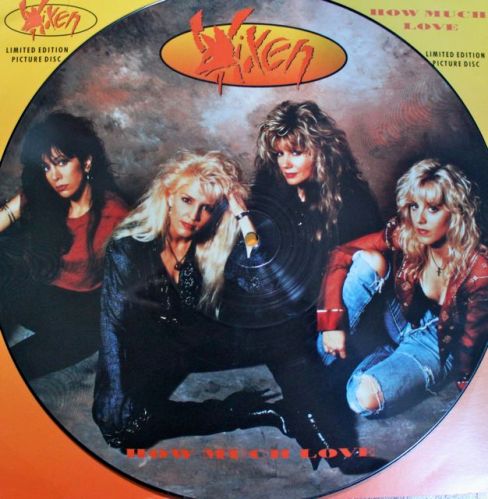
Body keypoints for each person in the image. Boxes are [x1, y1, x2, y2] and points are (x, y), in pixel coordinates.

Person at [220, 100, 383, 471]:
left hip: (338, 314)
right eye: (279, 154)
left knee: (289, 344)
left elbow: (363, 275)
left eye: (296, 152)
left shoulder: (351, 199)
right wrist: (244, 217)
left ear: (321, 151)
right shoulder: (272, 191)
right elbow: (257, 261)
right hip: (289, 312)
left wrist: (327, 319)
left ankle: (314, 424)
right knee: (279, 328)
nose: (286, 163)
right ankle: (331, 444)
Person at [92, 151, 289, 451]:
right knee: (120, 427)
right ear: (169, 196)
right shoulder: (128, 248)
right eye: (187, 200)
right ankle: (248, 411)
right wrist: (115, 393)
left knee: (286, 332)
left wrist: (243, 218)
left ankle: (301, 406)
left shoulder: (212, 248)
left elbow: (266, 286)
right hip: (147, 352)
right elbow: (114, 327)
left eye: (206, 208)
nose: (193, 216)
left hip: (195, 344)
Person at [318, 159, 488, 416]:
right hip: (400, 320)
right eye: (414, 206)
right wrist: (330, 323)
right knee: (368, 261)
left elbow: (470, 344)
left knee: (361, 398)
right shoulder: (407, 233)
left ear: (455, 212)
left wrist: (465, 383)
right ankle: (326, 362)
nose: (420, 219)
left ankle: (361, 363)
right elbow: (340, 254)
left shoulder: (479, 270)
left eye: (433, 208)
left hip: (435, 346)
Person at [0, 112, 128, 379]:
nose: (55, 176)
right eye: (46, 167)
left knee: (83, 337)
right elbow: (5, 217)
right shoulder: (44, 196)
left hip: (79, 311)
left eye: (61, 162)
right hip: (40, 290)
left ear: (86, 162)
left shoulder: (114, 214)